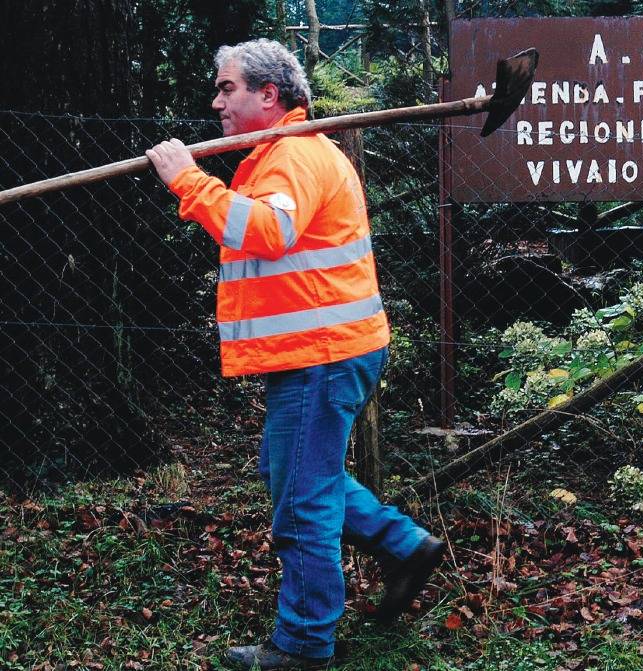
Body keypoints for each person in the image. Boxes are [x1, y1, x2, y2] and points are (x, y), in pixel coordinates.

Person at [146, 38, 444, 671]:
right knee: (299, 478)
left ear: (269, 95)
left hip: (321, 356)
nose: (217, 101)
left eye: (228, 88)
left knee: (301, 499)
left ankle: (305, 645)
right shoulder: (281, 154)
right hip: (317, 353)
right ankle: (404, 545)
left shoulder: (293, 156)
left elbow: (268, 233)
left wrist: (188, 183)